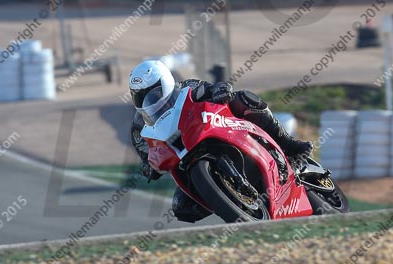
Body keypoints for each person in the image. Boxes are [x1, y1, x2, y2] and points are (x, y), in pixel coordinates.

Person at [128, 59, 312, 223]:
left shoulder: (187, 86)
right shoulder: (139, 127)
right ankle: (230, 201)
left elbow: (212, 88)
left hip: (209, 130)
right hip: (184, 159)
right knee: (181, 209)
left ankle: (289, 145)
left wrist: (220, 90)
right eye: (141, 96)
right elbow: (145, 152)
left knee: (244, 99)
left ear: (166, 82)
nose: (147, 100)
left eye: (152, 92)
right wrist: (148, 167)